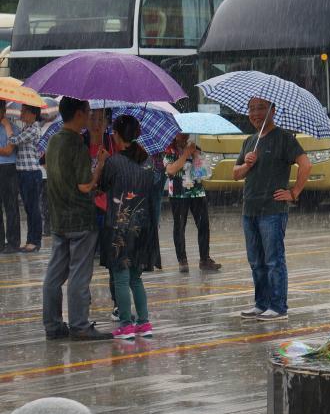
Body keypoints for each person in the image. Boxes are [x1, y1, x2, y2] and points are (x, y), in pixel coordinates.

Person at [234, 97, 311, 321]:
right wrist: (247, 164)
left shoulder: (284, 138)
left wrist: (294, 192)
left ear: (273, 111)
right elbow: (235, 174)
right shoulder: (249, 141)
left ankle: (278, 307)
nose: (255, 113)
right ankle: (261, 304)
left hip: (272, 211)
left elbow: (306, 165)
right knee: (256, 261)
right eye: (251, 109)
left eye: (261, 108)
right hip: (250, 209)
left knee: (274, 260)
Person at [42, 97, 112, 341]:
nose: (91, 116)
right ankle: (80, 326)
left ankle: (52, 325)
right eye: (89, 112)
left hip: (59, 217)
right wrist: (100, 165)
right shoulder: (76, 144)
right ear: (79, 114)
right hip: (81, 219)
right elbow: (85, 186)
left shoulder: (53, 141)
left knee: (54, 275)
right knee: (79, 275)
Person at [98, 115, 155, 340]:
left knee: (120, 278)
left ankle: (125, 324)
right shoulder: (148, 162)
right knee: (135, 278)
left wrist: (101, 162)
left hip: (119, 227)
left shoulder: (114, 162)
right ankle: (144, 322)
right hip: (142, 227)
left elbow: (101, 187)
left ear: (117, 135)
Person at [164, 133, 220, 273]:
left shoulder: (195, 148)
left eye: (186, 134)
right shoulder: (170, 151)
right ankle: (182, 260)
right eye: (180, 135)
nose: (183, 137)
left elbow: (203, 173)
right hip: (178, 193)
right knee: (179, 226)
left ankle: (205, 259)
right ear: (175, 135)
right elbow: (171, 170)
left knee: (203, 225)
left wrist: (195, 155)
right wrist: (185, 154)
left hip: (197, 192)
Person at [2, 102, 44, 251]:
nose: (21, 113)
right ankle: (30, 241)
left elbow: (14, 140)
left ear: (33, 114)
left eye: (24, 111)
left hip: (31, 173)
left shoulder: (34, 129)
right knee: (28, 207)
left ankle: (35, 241)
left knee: (33, 208)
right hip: (23, 173)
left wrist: (7, 126)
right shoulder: (26, 127)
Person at [0, 100, 21, 253]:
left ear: (4, 110)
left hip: (9, 168)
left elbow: (9, 150)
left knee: (11, 206)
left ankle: (13, 242)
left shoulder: (13, 128)